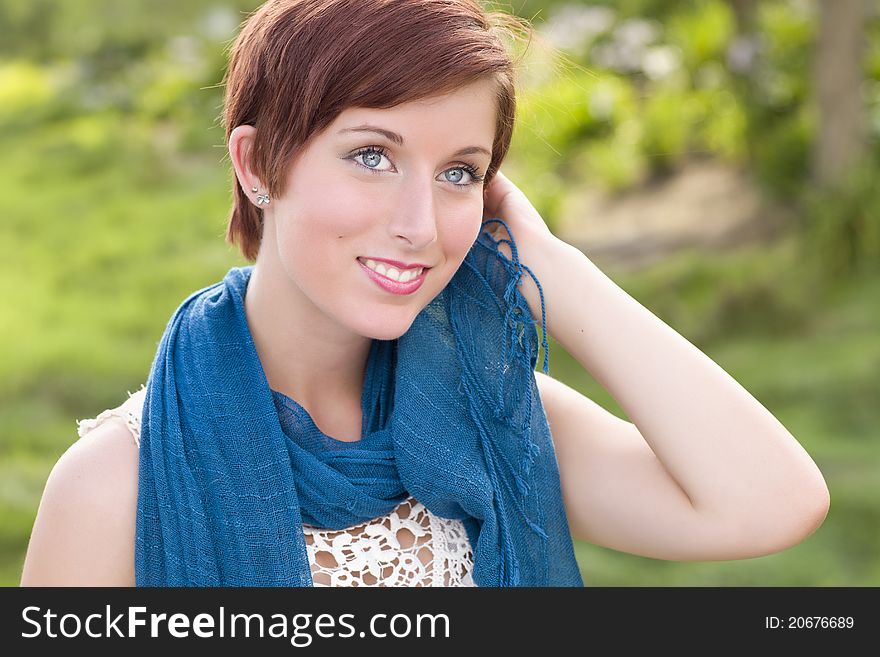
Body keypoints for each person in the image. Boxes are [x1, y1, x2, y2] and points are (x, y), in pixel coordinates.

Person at [21, 0, 829, 587]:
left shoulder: (491, 415)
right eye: (372, 154)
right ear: (259, 164)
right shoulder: (114, 486)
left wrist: (551, 268)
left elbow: (769, 503)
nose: (420, 223)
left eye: (459, 173)